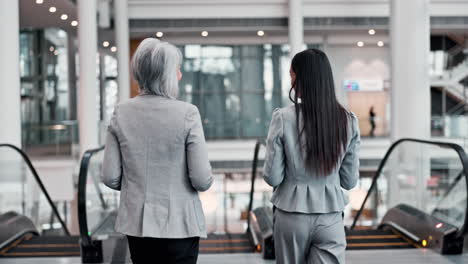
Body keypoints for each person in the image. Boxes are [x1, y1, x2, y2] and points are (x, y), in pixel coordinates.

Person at [101, 38, 213, 264]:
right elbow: (202, 180)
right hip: (181, 224)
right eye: (177, 70)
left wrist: (138, 185)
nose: (180, 75)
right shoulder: (187, 113)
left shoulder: (121, 113)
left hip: (139, 226)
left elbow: (110, 176)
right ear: (167, 75)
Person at [263, 49, 360, 264]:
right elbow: (350, 180)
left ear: (300, 78)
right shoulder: (349, 121)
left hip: (291, 213)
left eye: (292, 75)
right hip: (331, 217)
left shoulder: (283, 118)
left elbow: (273, 177)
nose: (291, 81)